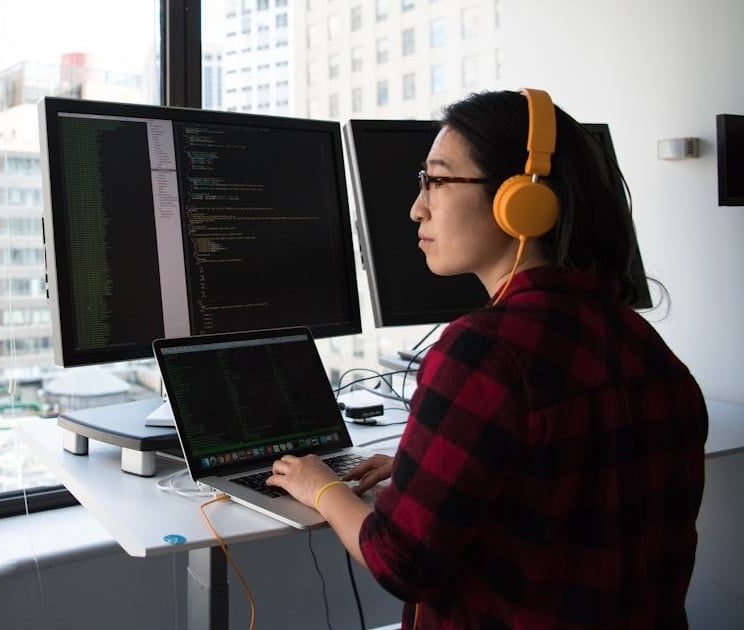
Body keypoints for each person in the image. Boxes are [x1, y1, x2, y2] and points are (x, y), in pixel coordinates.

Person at [265, 89, 708, 628]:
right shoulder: (645, 343)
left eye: (438, 179)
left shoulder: (483, 352)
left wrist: (322, 486)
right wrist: (419, 470)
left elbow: (401, 561)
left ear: (521, 201)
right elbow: (564, 486)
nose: (416, 207)